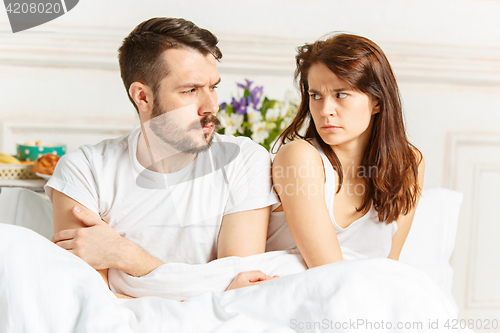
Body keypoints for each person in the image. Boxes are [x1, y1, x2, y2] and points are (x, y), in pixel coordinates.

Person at [46, 17, 278, 298]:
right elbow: (92, 302)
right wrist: (211, 286)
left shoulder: (245, 160)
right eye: (190, 90)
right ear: (142, 97)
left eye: (213, 87)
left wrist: (126, 256)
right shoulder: (85, 170)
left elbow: (241, 292)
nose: (211, 106)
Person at [267, 33, 425, 269]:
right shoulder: (300, 157)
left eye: (341, 94)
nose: (325, 110)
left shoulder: (409, 163)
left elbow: (391, 268)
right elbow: (329, 273)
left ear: (377, 101)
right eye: (316, 96)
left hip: (364, 298)